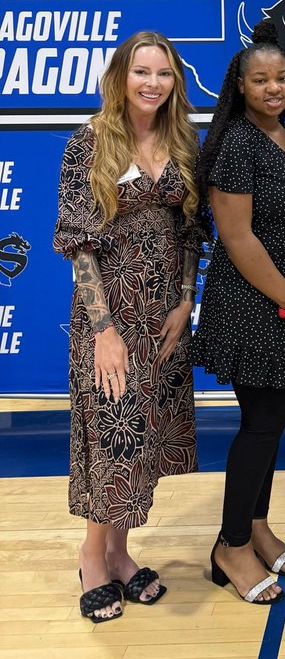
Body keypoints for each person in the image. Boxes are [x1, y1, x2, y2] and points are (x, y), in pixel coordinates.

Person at [54, 31, 205, 623]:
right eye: (141, 71)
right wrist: (104, 331)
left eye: (163, 74)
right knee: (112, 434)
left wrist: (183, 304)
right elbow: (79, 245)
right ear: (120, 77)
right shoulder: (88, 144)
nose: (152, 83)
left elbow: (193, 232)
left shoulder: (184, 142)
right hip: (109, 318)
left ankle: (120, 553)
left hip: (163, 317)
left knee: (144, 439)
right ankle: (92, 556)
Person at [192, 20, 285, 605]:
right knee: (259, 426)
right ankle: (229, 546)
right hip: (254, 306)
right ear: (242, 86)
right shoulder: (235, 146)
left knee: (272, 424)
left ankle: (256, 526)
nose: (274, 87)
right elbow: (238, 237)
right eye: (261, 80)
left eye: (282, 77)